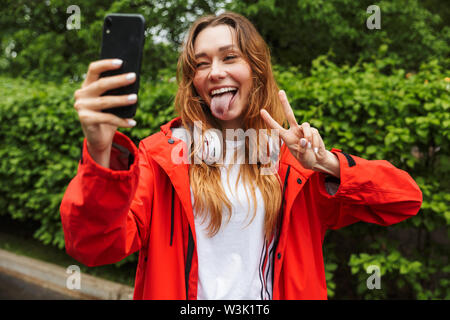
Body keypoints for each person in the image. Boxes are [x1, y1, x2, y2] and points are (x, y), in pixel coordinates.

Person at [60, 12, 422, 300]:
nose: (215, 72)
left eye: (230, 57)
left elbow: (404, 199)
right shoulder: (158, 158)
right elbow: (95, 246)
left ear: (257, 70)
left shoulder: (295, 162)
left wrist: (327, 164)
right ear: (193, 80)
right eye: (201, 64)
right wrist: (100, 150)